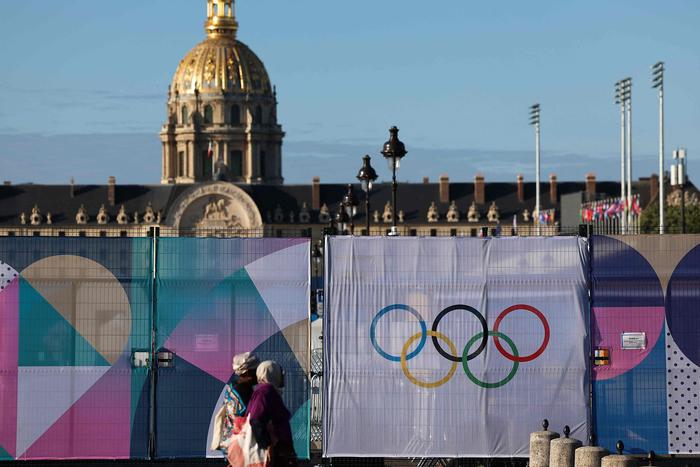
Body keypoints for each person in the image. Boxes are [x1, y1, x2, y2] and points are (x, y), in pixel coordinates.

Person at [247, 360, 297, 467]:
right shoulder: (266, 391)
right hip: (277, 450)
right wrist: (266, 446)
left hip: (279, 449)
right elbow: (256, 419)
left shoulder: (263, 391)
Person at [219, 352, 260, 450]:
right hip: (240, 446)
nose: (258, 374)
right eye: (256, 370)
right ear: (247, 372)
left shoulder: (233, 386)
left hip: (230, 442)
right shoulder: (243, 392)